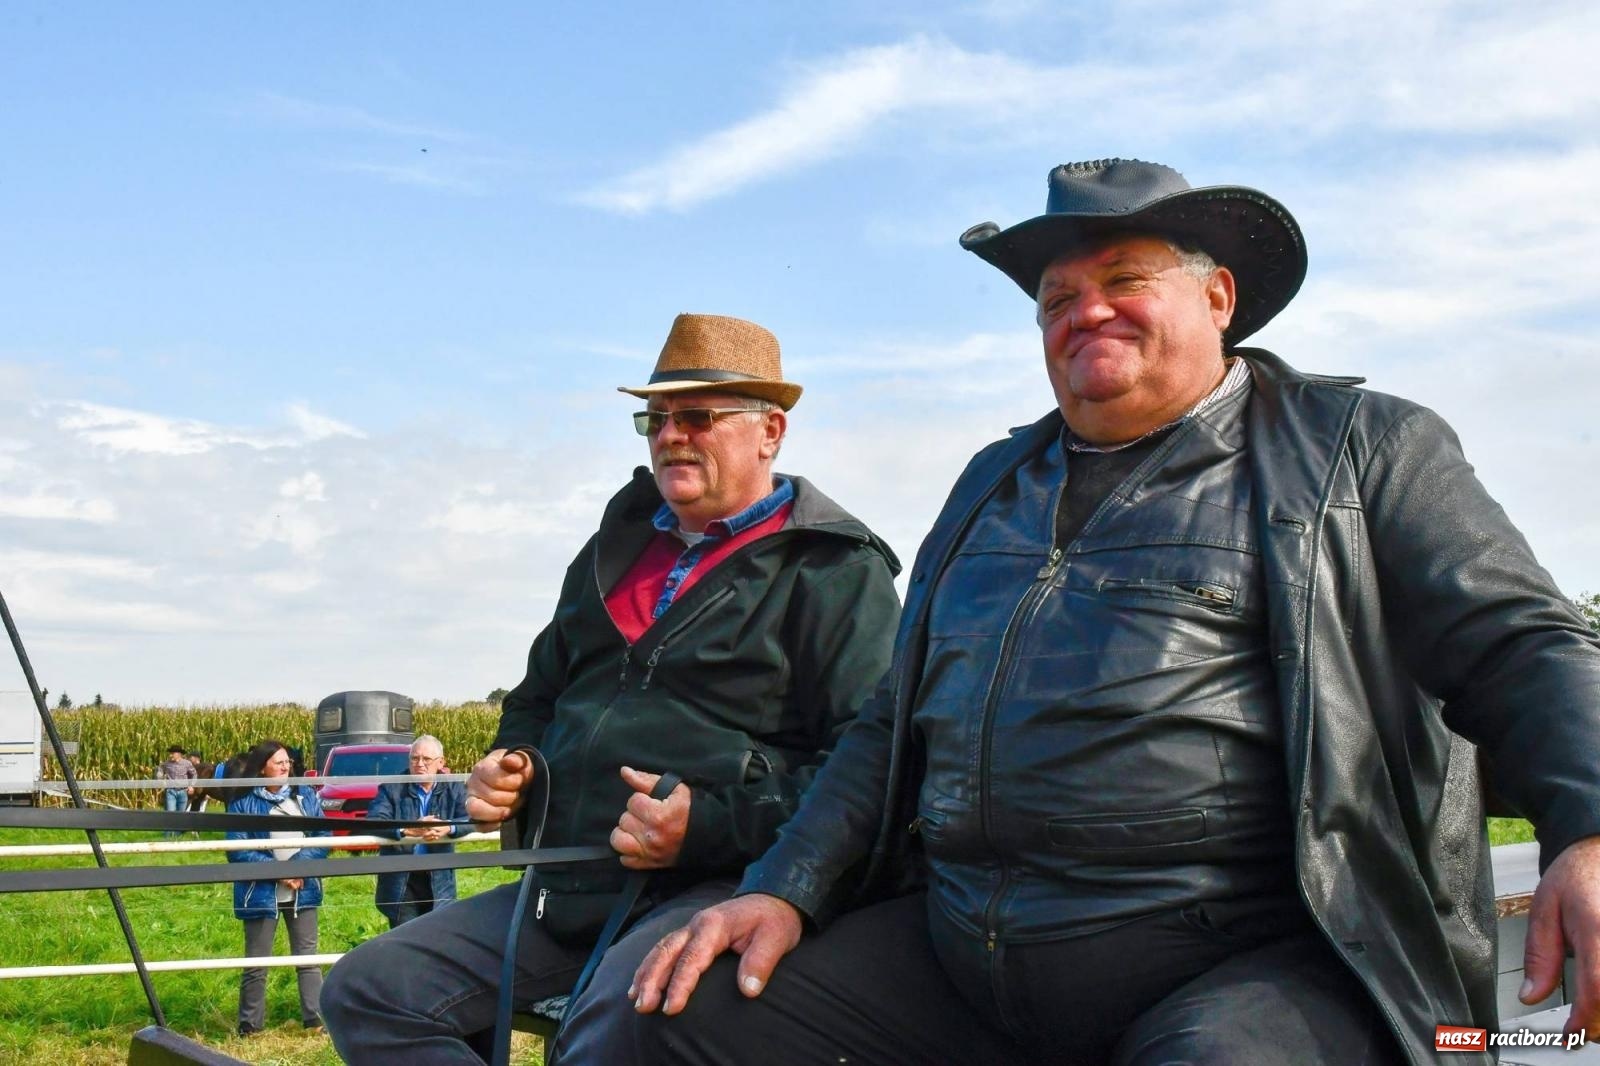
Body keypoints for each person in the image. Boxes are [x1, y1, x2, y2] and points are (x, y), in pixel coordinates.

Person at [561, 159, 1600, 1066]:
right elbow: (886, 726)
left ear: (1218, 297)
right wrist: (782, 885)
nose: (1084, 312)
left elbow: (1524, 641)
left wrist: (1588, 824)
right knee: (679, 1010)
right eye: (1057, 298)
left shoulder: (1359, 450)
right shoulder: (989, 482)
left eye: (1123, 281)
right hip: (967, 947)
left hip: (1252, 958)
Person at [322, 313, 902, 1063]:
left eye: (697, 416)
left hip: (715, 888)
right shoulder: (612, 550)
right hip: (569, 889)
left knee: (625, 1022)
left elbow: (866, 768)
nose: (670, 436)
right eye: (655, 418)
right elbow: (536, 694)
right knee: (370, 989)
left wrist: (707, 827)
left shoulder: (832, 571)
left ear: (771, 432)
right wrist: (517, 759)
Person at [226, 738, 330, 1036]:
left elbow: (322, 836)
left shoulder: (307, 798)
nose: (287, 766)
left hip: (303, 889)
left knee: (307, 958)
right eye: (279, 762)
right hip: (259, 892)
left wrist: (299, 866)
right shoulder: (242, 804)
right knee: (257, 962)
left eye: (288, 762)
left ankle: (316, 1021)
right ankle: (250, 1027)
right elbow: (237, 849)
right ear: (262, 769)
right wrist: (278, 872)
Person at [368, 734, 470, 928]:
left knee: (437, 937)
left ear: (441, 762)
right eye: (414, 758)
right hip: (401, 879)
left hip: (439, 879)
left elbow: (473, 818)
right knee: (406, 939)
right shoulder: (392, 787)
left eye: (426, 759)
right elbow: (374, 820)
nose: (419, 764)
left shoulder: (454, 787)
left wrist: (448, 827)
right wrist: (409, 830)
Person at [155, 744, 195, 837]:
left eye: (172, 753)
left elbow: (194, 774)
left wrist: (191, 786)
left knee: (180, 815)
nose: (170, 755)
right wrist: (160, 780)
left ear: (179, 754)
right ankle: (167, 836)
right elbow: (160, 770)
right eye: (170, 753)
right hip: (171, 792)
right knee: (170, 812)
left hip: (183, 792)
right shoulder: (166, 764)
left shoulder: (187, 764)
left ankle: (177, 836)